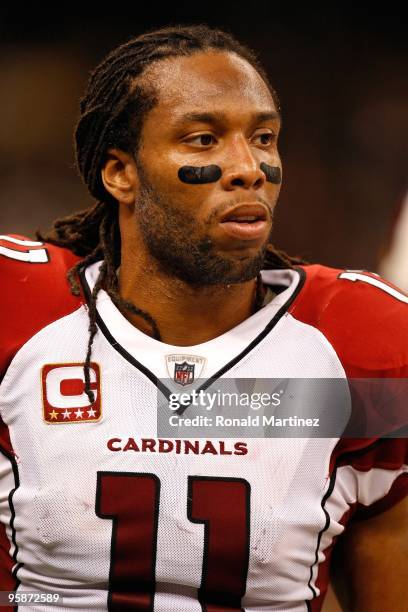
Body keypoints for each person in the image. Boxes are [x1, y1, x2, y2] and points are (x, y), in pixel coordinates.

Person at [0, 24, 407, 612]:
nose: (250, 168)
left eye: (264, 137)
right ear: (121, 173)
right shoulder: (21, 306)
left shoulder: (359, 341)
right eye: (202, 139)